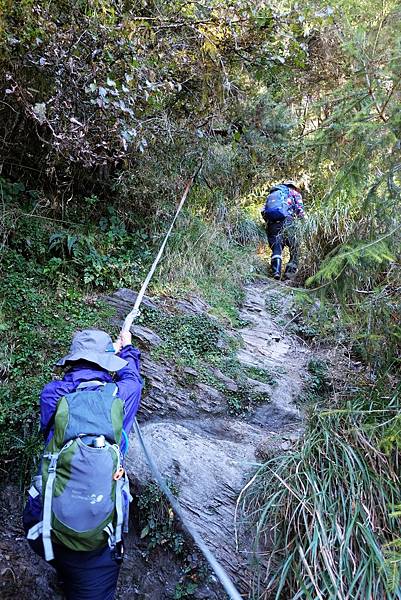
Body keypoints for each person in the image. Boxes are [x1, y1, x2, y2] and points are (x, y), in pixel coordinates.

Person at [23, 328, 143, 600]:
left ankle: (65, 578)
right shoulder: (121, 395)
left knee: (64, 566)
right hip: (97, 544)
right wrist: (126, 348)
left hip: (44, 525)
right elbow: (133, 379)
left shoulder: (52, 393)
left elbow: (48, 426)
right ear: (106, 362)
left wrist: (108, 354)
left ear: (73, 359)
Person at [261, 180, 305, 280]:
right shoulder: (295, 193)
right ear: (293, 186)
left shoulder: (272, 194)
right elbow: (300, 210)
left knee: (276, 248)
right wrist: (303, 223)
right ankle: (289, 274)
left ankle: (276, 271)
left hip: (273, 224)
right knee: (295, 248)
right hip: (289, 223)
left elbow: (263, 211)